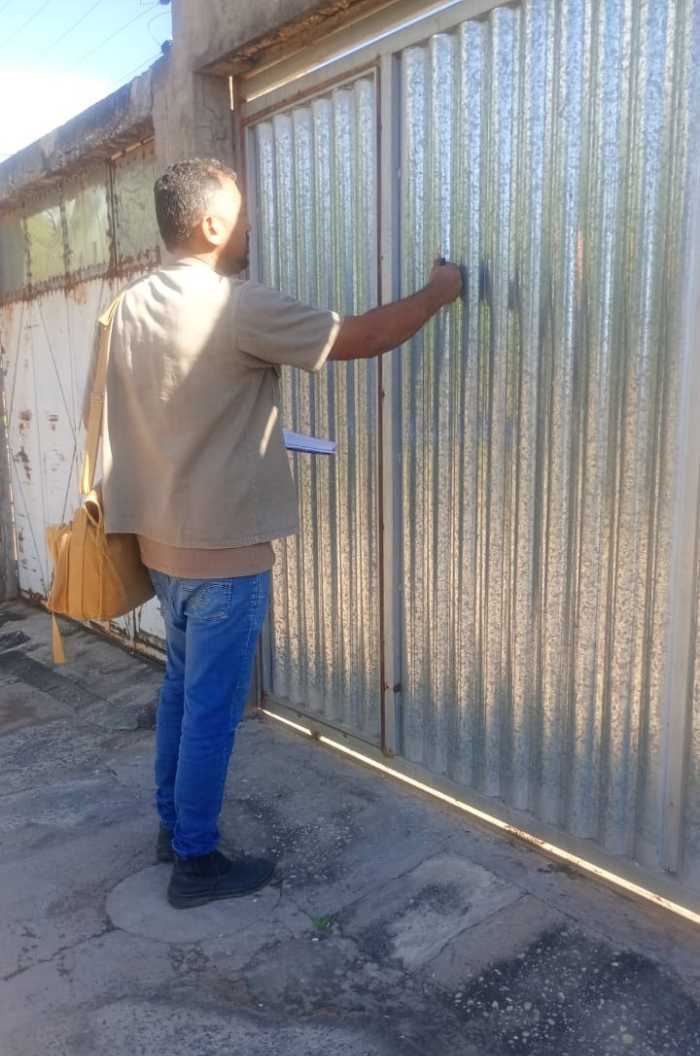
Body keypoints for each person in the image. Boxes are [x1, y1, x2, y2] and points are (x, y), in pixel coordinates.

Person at [103, 157, 462, 910]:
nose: (252, 229)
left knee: (180, 691)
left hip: (159, 547)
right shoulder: (232, 306)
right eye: (242, 217)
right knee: (211, 710)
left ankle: (172, 826)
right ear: (211, 225)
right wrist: (438, 292)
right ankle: (195, 863)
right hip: (224, 556)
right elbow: (363, 336)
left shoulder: (126, 306)